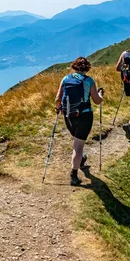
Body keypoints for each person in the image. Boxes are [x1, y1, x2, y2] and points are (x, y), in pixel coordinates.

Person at [55, 57, 104, 186]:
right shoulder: (89, 80)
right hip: (84, 116)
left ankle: (81, 159)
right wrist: (101, 94)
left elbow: (57, 99)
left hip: (68, 115)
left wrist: (59, 108)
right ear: (87, 68)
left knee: (77, 140)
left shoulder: (66, 79)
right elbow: (97, 101)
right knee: (78, 146)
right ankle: (74, 175)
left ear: (74, 66)